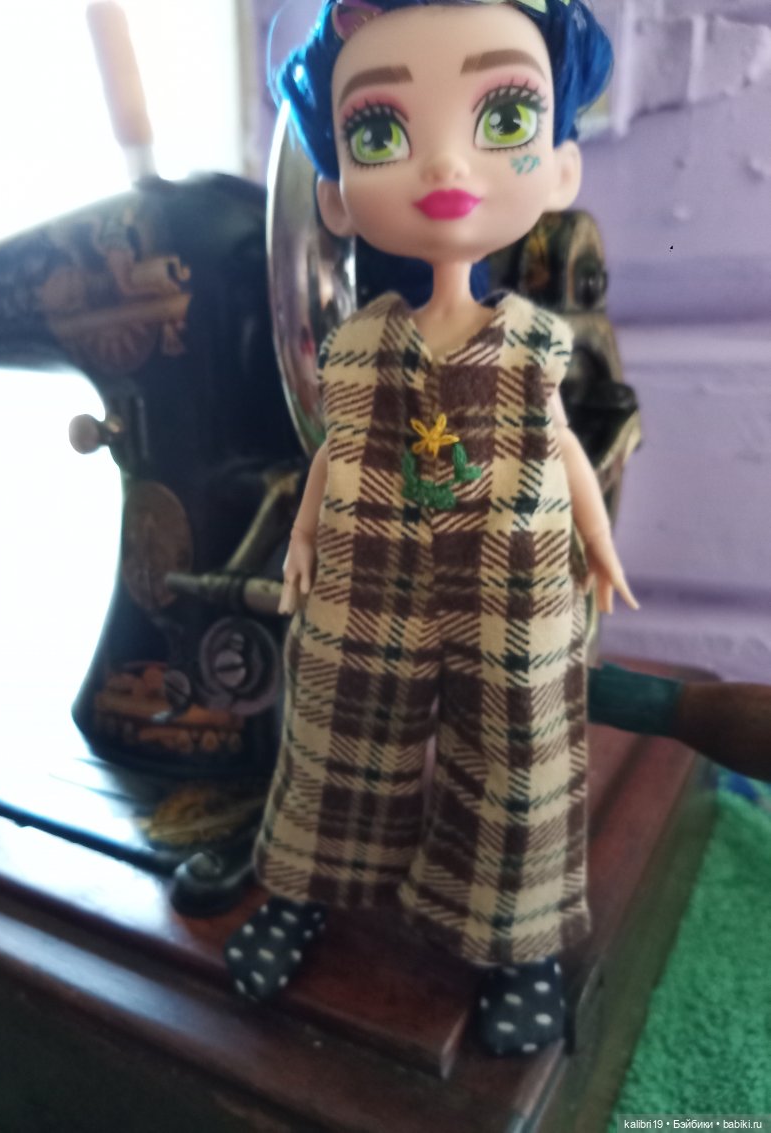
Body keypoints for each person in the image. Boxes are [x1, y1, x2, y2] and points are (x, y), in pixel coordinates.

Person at [226, 0, 636, 1057]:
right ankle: (302, 886)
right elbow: (334, 450)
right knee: (335, 729)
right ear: (334, 193)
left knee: (517, 753)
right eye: (379, 132)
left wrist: (598, 545)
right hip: (369, 564)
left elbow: (561, 449)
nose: (444, 163)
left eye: (504, 118)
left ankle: (517, 940)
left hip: (515, 576)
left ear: (560, 168)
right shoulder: (361, 342)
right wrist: (303, 538)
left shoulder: (532, 340)